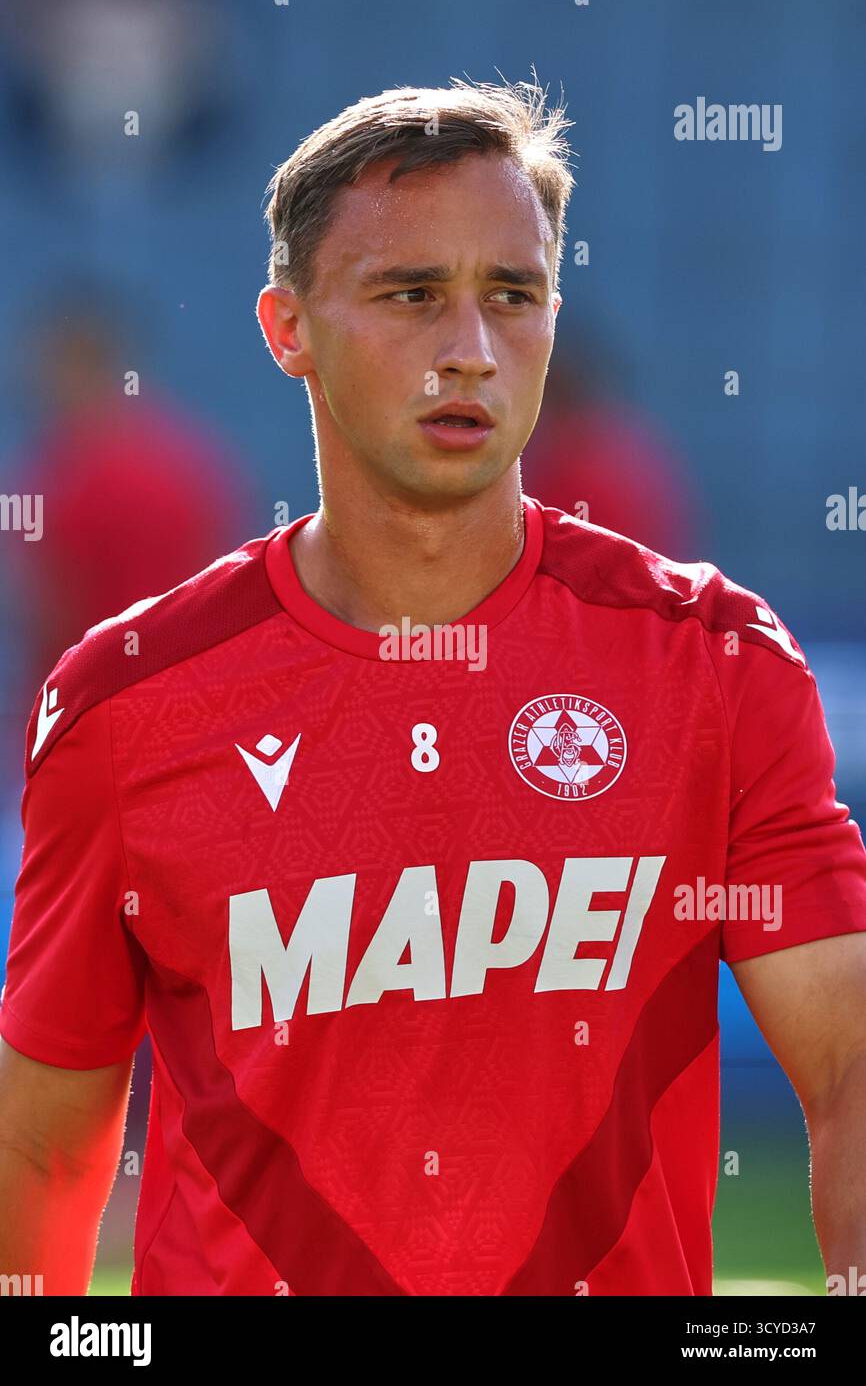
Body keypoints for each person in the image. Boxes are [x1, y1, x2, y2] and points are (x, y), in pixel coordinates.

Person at [1, 76, 864, 1298]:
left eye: (510, 295)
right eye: (410, 295)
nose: (469, 350)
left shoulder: (715, 661)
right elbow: (39, 1146)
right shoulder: (123, 703)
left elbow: (848, 1063)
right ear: (287, 328)